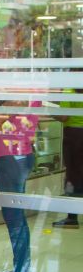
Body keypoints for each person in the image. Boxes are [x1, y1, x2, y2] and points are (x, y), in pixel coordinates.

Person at [0, 100, 37, 272]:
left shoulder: (22, 92)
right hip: (14, 154)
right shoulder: (26, 92)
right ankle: (21, 268)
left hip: (12, 156)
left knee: (14, 216)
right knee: (16, 216)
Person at [52, 88, 83, 229]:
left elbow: (64, 116)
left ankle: (72, 217)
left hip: (74, 136)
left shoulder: (69, 90)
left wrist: (51, 113)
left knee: (72, 176)